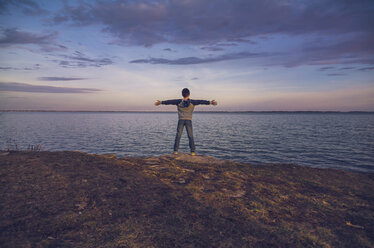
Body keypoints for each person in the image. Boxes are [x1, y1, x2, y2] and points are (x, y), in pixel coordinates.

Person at [155, 88, 217, 155]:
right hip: (189, 121)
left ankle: (175, 151)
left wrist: (161, 102)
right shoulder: (192, 102)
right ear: (189, 94)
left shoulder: (178, 101)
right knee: (190, 136)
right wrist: (210, 102)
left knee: (178, 136)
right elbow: (201, 101)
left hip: (181, 120)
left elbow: (169, 101)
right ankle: (192, 151)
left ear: (182, 94)